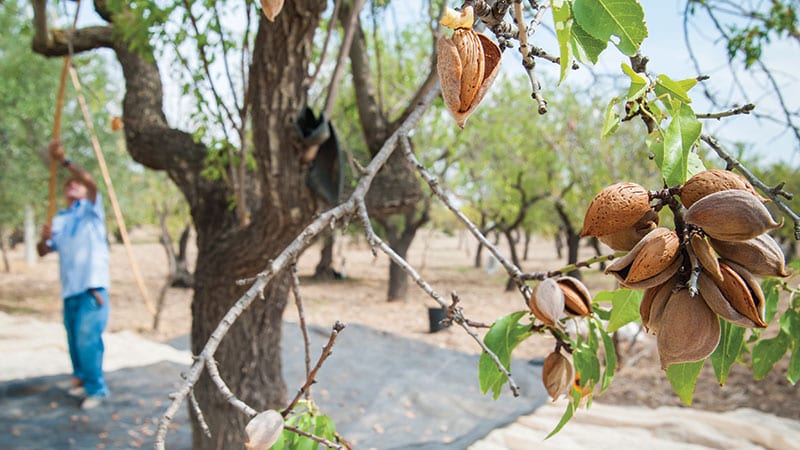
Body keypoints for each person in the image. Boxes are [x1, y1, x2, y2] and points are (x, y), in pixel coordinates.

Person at [37, 140, 110, 410]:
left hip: (92, 288)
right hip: (70, 290)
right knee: (74, 340)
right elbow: (44, 251)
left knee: (87, 339)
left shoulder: (91, 211)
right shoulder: (60, 219)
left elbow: (90, 181)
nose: (72, 185)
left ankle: (97, 389)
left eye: (75, 182)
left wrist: (64, 161)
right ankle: (82, 382)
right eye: (68, 184)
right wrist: (43, 240)